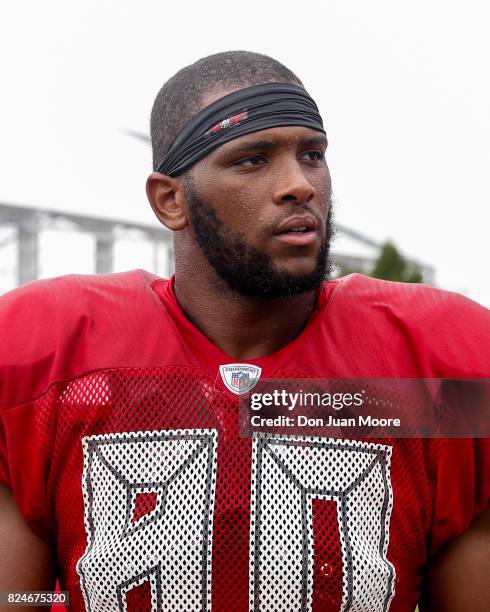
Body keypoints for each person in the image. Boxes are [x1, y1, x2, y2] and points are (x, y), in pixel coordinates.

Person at [0, 50, 489, 612]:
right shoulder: (48, 349)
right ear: (170, 200)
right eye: (253, 160)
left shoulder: (439, 357)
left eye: (312, 155)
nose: (299, 184)